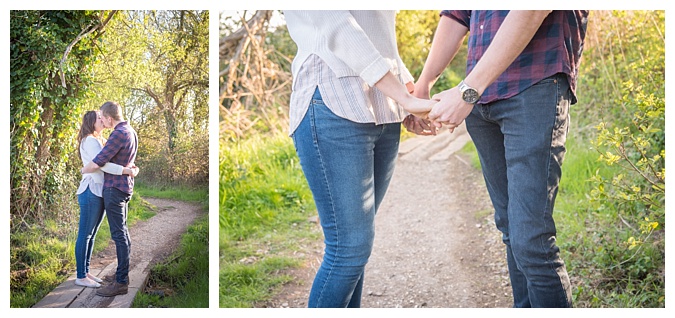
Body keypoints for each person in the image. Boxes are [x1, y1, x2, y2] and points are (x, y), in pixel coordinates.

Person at [414, 10, 589, 307]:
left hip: (534, 86)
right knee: (511, 230)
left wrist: (467, 91)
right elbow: (458, 14)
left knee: (530, 241)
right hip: (482, 103)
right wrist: (424, 83)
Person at [283, 10, 437, 308]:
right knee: (349, 248)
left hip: (383, 107)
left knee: (356, 250)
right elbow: (338, 26)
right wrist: (404, 98)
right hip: (331, 98)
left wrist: (407, 95)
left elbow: (381, 39)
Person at [75, 110, 138, 288]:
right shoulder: (90, 140)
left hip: (98, 191)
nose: (102, 120)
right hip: (91, 190)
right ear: (92, 123)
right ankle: (80, 275)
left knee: (91, 235)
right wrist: (126, 171)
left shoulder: (98, 140)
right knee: (85, 235)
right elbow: (103, 165)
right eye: (98, 118)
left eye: (103, 117)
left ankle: (85, 272)